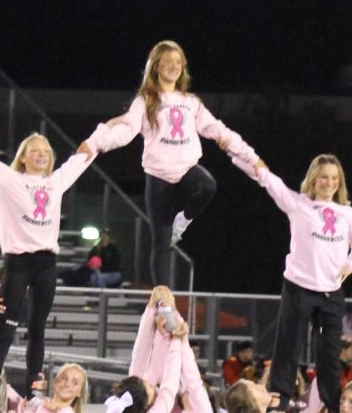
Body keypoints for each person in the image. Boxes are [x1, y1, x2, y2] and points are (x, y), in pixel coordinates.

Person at [80, 41, 258, 285]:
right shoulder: (145, 100)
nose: (174, 66)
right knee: (161, 243)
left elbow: (217, 129)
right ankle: (163, 299)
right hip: (158, 176)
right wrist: (99, 144)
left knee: (208, 186)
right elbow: (127, 130)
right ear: (156, 66)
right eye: (168, 61)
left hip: (186, 170)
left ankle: (182, 221)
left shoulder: (190, 101)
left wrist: (249, 155)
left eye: (178, 62)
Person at [230, 153, 352, 413]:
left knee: (328, 352)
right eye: (324, 177)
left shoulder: (347, 213)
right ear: (314, 179)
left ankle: (332, 406)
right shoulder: (298, 204)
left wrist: (351, 264)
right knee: (288, 346)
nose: (329, 183)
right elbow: (268, 179)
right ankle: (280, 398)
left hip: (331, 291)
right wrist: (237, 154)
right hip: (299, 287)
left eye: (334, 178)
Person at [0, 132, 96, 394]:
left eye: (45, 150)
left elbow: (84, 155)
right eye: (33, 150)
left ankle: (33, 388)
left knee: (38, 327)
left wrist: (99, 138)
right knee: (7, 326)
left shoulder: (56, 182)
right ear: (22, 157)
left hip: (46, 263)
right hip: (18, 264)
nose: (40, 154)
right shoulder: (11, 179)